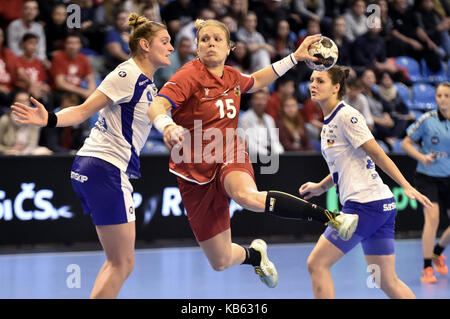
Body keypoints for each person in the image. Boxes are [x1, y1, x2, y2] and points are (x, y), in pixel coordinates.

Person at [147, 19, 359, 289]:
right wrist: (166, 124)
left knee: (246, 197)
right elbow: (157, 104)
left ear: (229, 48)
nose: (210, 43)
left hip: (227, 152)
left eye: (217, 39)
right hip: (193, 171)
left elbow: (258, 79)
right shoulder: (187, 76)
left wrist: (294, 57)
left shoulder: (233, 77)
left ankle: (333, 218)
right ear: (197, 48)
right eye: (205, 40)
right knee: (220, 260)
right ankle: (255, 256)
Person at [11, 13, 174, 299]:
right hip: (105, 167)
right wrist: (48, 118)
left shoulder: (148, 85)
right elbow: (84, 110)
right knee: (123, 263)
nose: (171, 47)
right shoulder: (127, 74)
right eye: (165, 41)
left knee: (117, 262)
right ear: (145, 45)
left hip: (99, 168)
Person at [299, 65, 432, 299]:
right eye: (311, 80)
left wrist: (406, 185)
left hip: (364, 206)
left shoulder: (346, 116)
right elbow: (345, 164)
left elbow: (377, 153)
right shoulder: (329, 123)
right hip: (378, 205)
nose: (313, 84)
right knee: (386, 280)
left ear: (336, 87)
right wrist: (320, 187)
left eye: (320, 80)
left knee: (316, 264)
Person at [401, 82, 450, 284]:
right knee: (433, 219)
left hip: (448, 177)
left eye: (446, 95)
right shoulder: (427, 120)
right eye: (439, 95)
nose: (442, 99)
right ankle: (427, 267)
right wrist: (422, 158)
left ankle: (438, 252)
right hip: (427, 176)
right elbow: (405, 143)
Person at [239, 88, 285, 158]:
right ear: (252, 101)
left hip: (270, 155)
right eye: (257, 99)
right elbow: (249, 144)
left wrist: (281, 154)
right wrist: (268, 155)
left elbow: (274, 141)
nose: (260, 102)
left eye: (263, 99)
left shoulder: (269, 119)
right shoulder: (245, 118)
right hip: (253, 157)